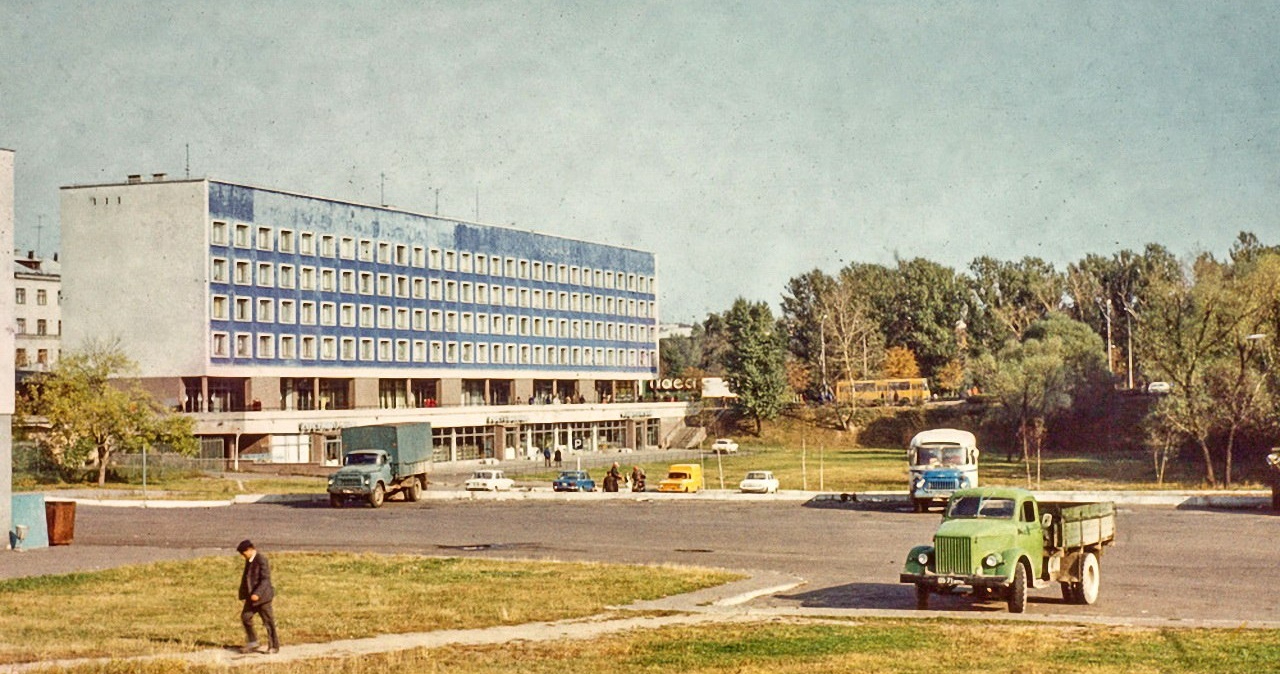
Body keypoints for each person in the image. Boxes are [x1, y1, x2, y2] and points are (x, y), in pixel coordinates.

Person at [237, 539, 280, 654]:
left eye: (243, 553)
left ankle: (274, 646)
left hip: (263, 597)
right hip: (252, 598)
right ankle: (253, 642)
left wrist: (258, 593)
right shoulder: (249, 560)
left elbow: (265, 579)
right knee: (246, 617)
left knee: (268, 622)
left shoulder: (261, 559)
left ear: (250, 550)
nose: (242, 556)